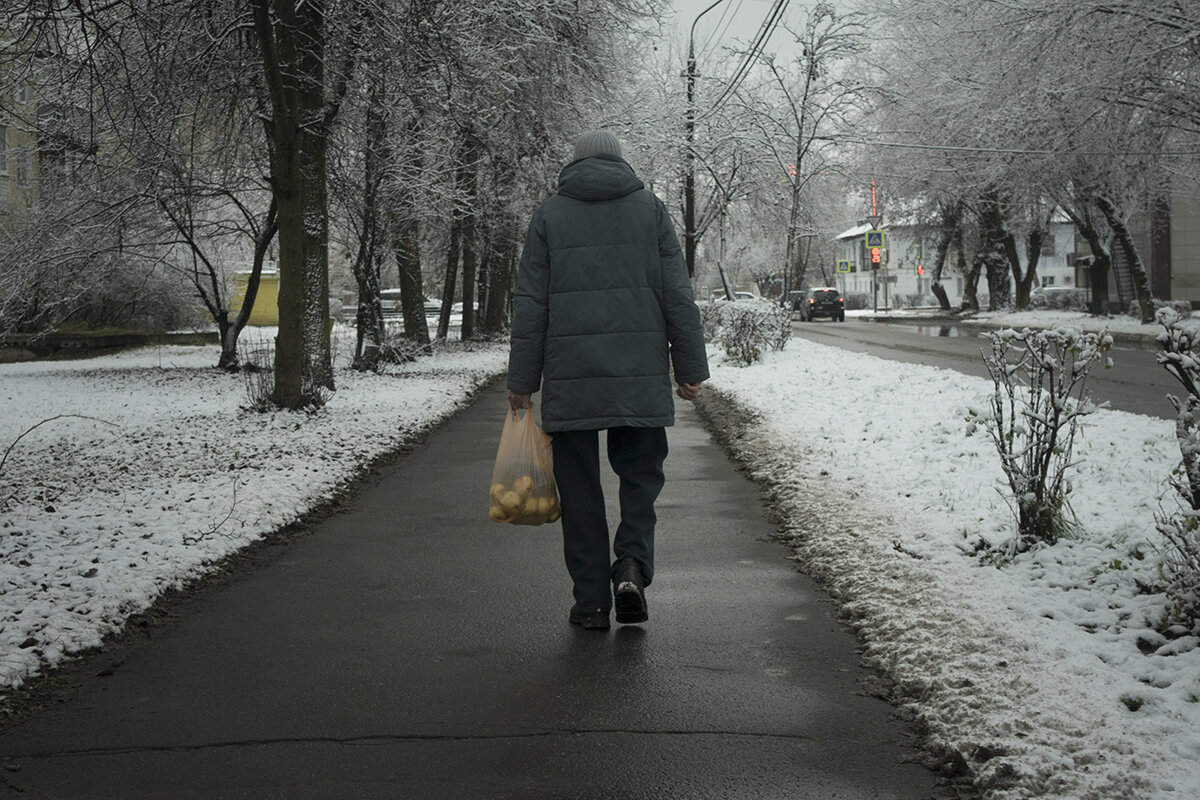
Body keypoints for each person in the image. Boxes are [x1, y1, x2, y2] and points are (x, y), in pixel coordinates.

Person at [507, 129, 709, 631]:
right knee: (641, 478)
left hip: (571, 377)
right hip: (637, 376)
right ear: (621, 163)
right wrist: (689, 369)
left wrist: (521, 383)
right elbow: (677, 294)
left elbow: (530, 305)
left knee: (579, 491)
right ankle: (633, 566)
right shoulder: (652, 210)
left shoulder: (548, 215)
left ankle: (591, 604)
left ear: (573, 164)